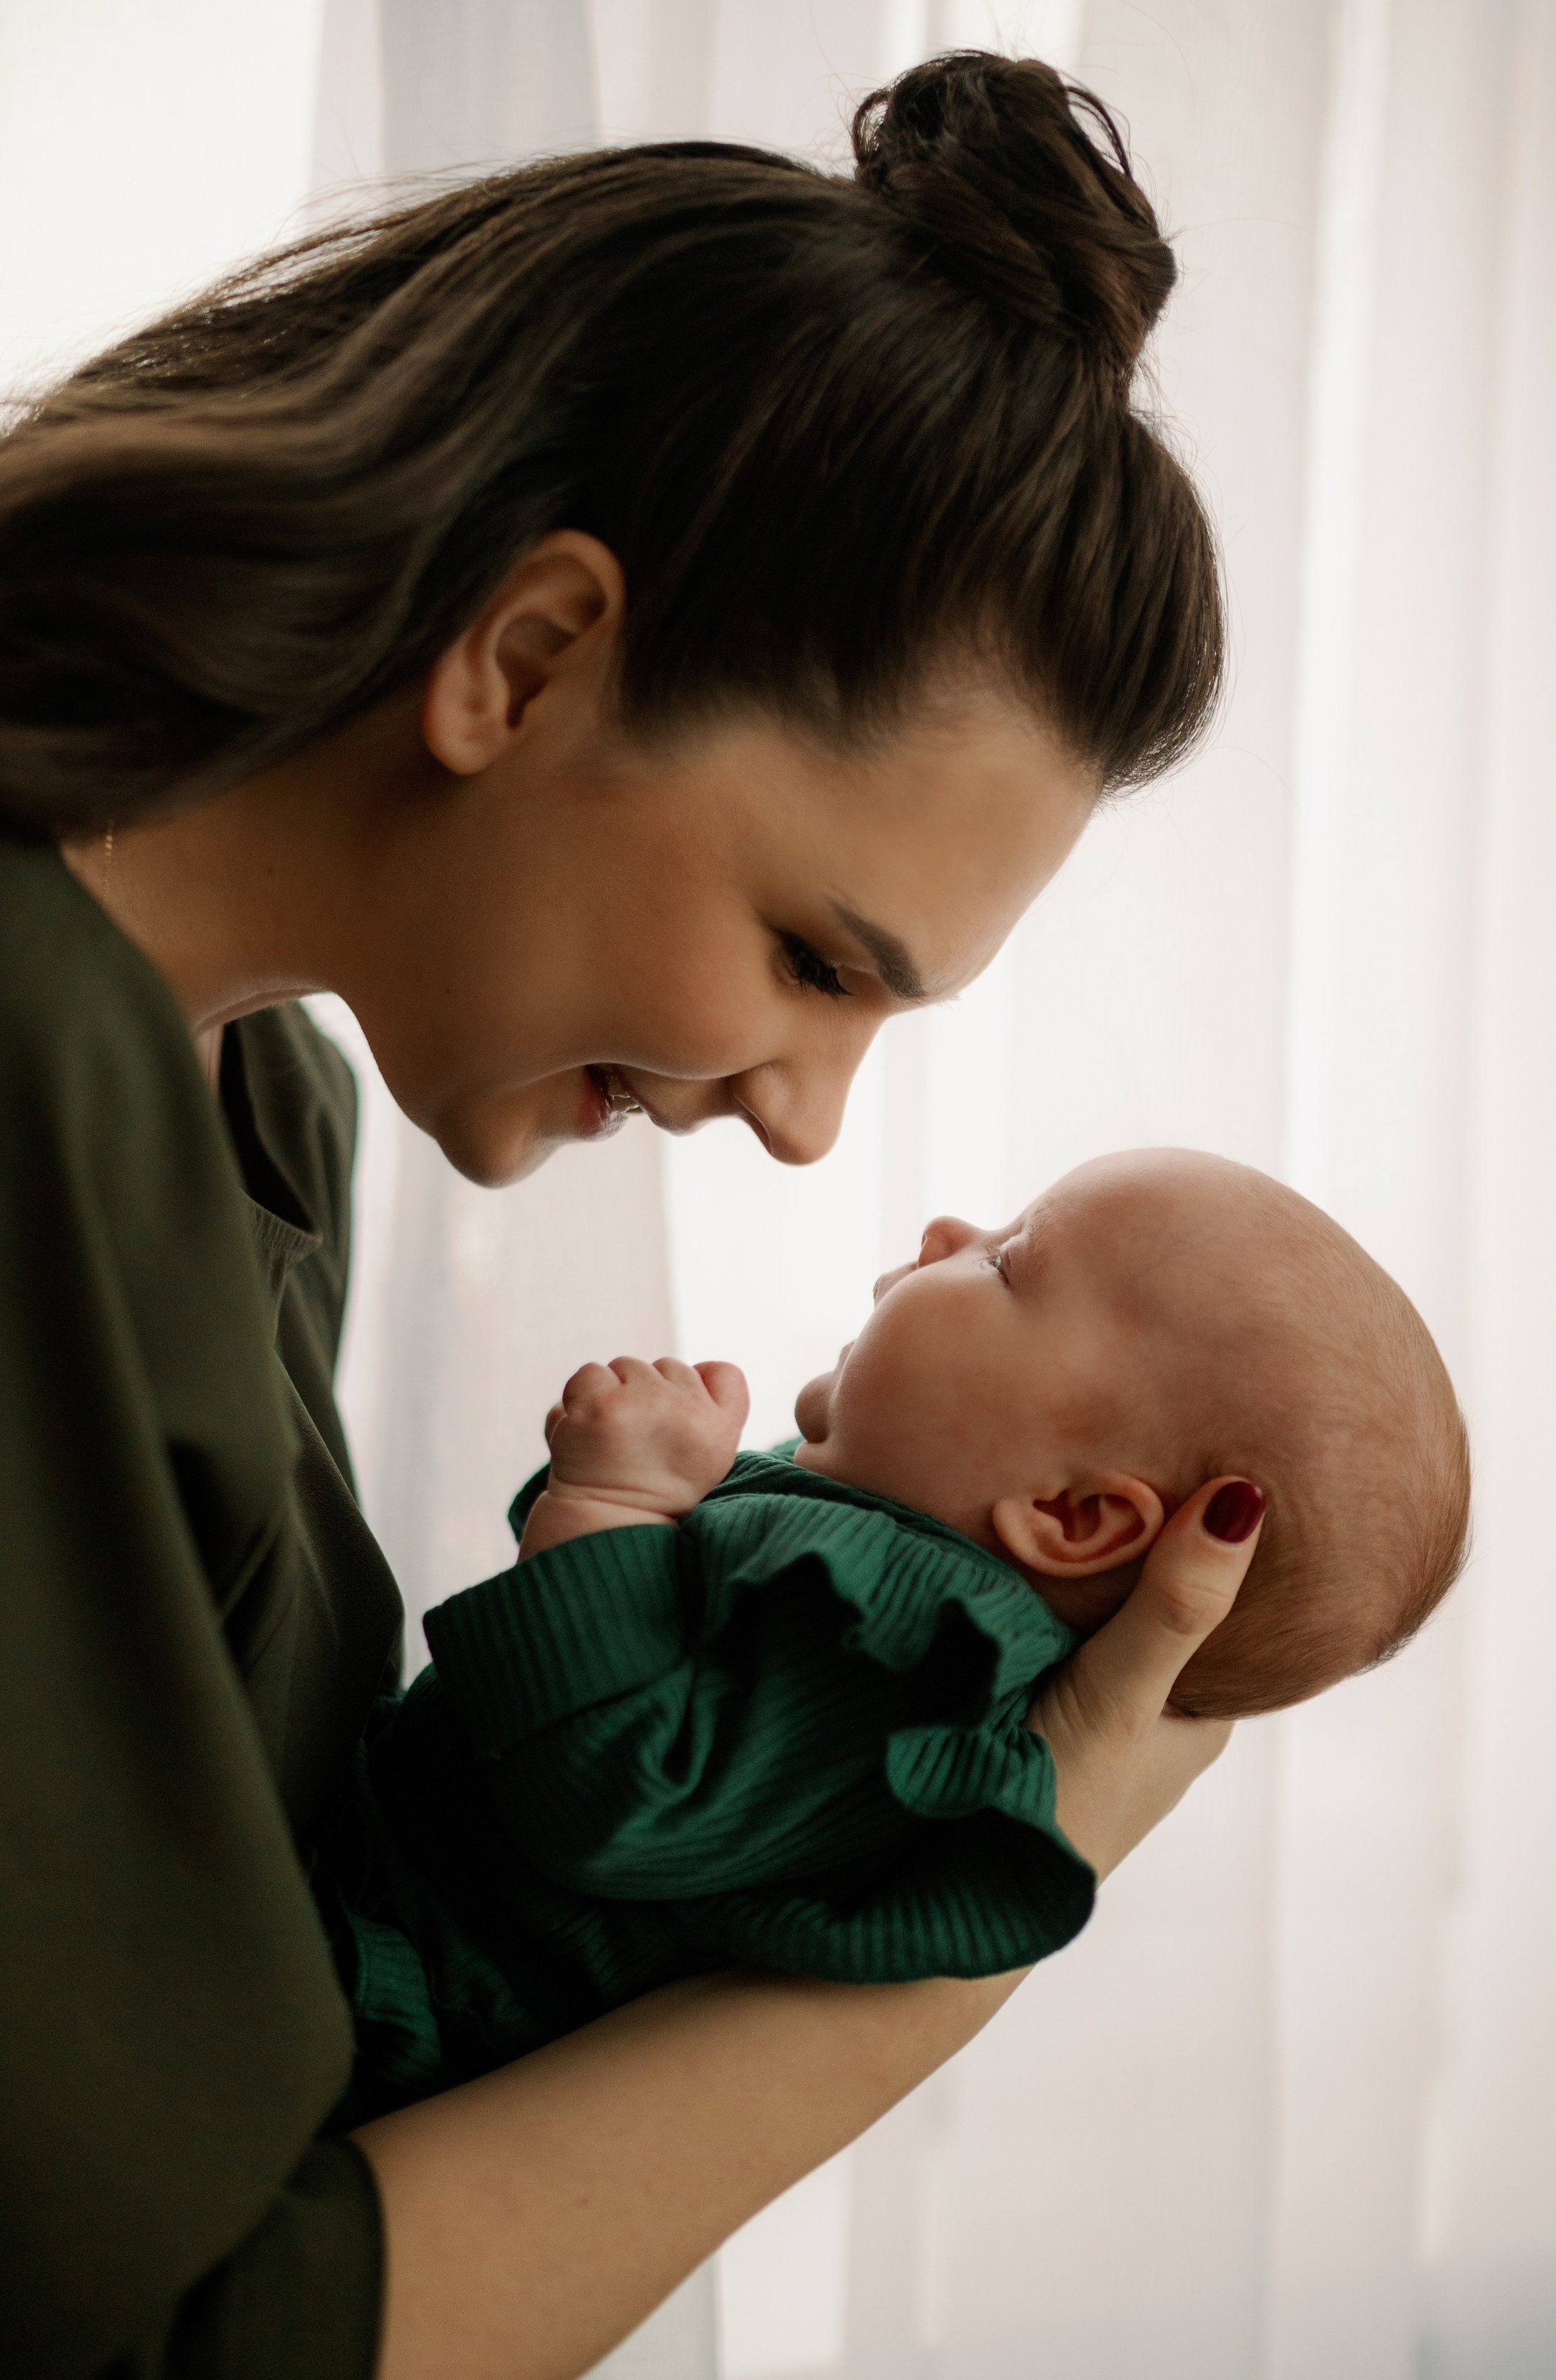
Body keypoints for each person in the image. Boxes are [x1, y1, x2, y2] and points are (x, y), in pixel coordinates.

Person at [0, 51, 1258, 2380]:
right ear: (530, 661)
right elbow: (172, 2333)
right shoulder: (32, 1081)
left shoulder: (257, 1092)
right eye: (815, 959)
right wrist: (982, 1900)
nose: (805, 1128)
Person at [321, 1148, 1471, 2117]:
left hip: (386, 1988)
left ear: (1072, 1518)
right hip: (365, 1872)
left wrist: (615, 1507)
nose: (946, 1231)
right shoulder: (873, 1553)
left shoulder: (915, 1651)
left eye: (1009, 1264)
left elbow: (622, 1792)